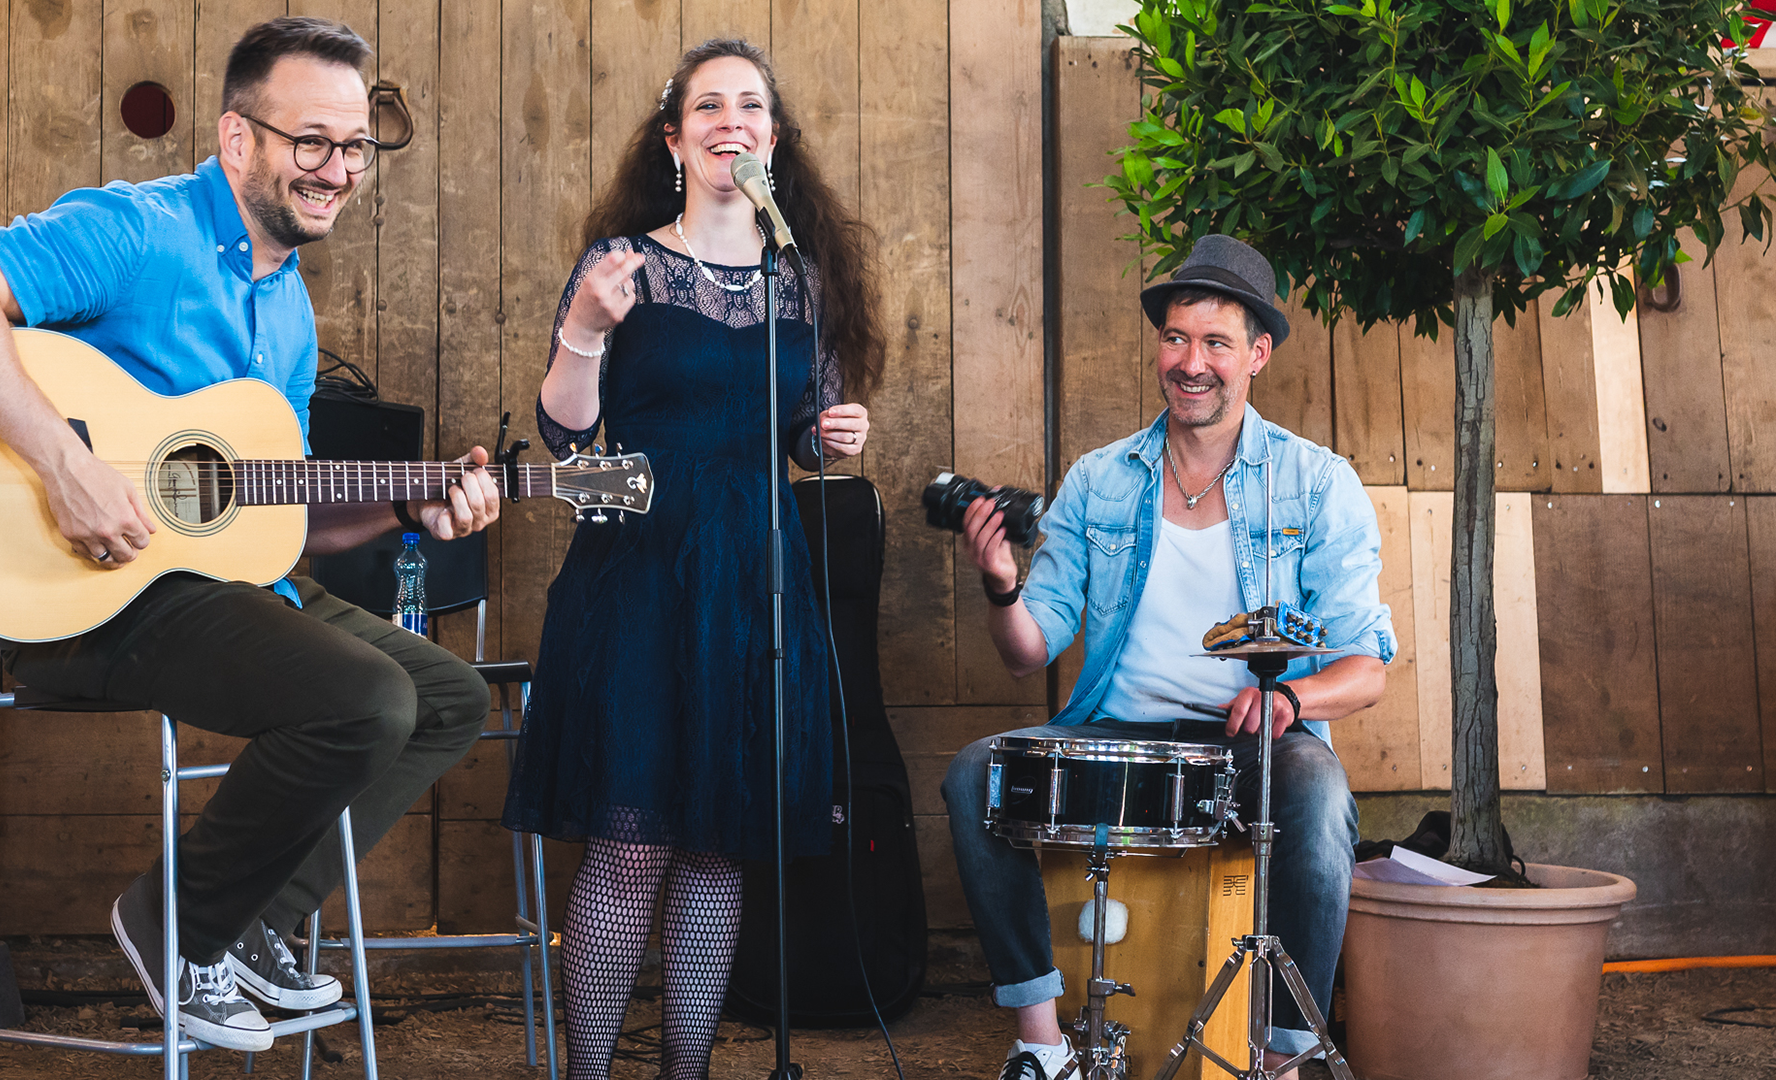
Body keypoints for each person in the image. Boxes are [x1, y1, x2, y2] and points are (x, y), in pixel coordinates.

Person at [0, 17, 501, 1053]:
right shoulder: (140, 230)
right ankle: (177, 923)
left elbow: (270, 506)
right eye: (311, 141)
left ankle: (250, 920)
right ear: (236, 139)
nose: (338, 170)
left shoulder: (288, 308)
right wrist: (64, 463)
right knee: (366, 697)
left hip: (203, 588)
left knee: (446, 697)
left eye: (354, 148)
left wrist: (407, 507)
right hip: (79, 597)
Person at [499, 39, 885, 1080]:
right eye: (708, 105)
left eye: (750, 105)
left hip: (753, 583)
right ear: (675, 140)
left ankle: (689, 1072)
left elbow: (798, 431)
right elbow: (565, 437)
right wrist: (584, 330)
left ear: (770, 137)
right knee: (629, 845)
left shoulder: (801, 281)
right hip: (636, 574)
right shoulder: (624, 263)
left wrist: (828, 435)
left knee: (718, 844)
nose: (732, 120)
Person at [948, 235, 1394, 1079]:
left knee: (1318, 790)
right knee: (976, 774)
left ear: (1257, 354)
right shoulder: (1100, 479)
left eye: (1216, 343)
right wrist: (1002, 585)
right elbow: (1026, 651)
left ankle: (1282, 1057)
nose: (1192, 363)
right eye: (1177, 339)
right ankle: (1043, 1046)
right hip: (1119, 732)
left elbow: (1364, 667)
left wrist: (1291, 704)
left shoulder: (1315, 483)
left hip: (1248, 740)